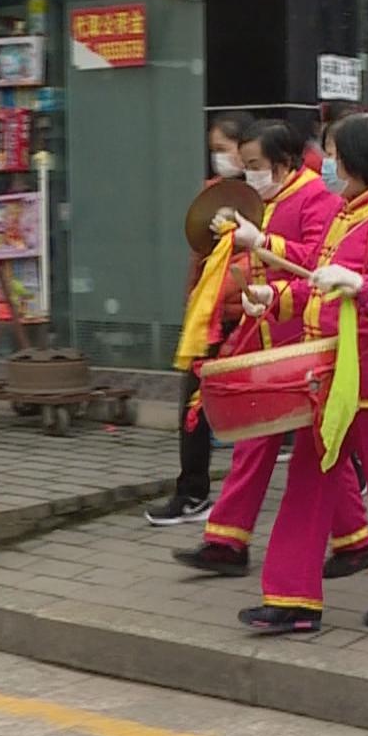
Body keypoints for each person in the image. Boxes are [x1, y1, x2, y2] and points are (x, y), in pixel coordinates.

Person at [238, 114, 368, 633]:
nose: (323, 164)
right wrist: (275, 297)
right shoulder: (346, 213)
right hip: (332, 374)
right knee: (307, 477)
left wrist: (364, 290)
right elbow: (317, 282)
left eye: (331, 153)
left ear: (355, 159)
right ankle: (292, 597)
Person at [171, 118, 368, 579]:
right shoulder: (263, 198)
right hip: (267, 338)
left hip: (303, 342)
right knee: (293, 444)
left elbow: (318, 261)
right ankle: (350, 541)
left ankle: (234, 542)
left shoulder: (316, 200)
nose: (249, 174)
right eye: (244, 166)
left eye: (255, 165)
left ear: (284, 163)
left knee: (309, 445)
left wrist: (262, 242)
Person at [145, 112, 253, 528]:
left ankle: (349, 473)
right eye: (214, 151)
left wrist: (223, 288)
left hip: (253, 314)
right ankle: (192, 493)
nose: (218, 159)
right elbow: (199, 255)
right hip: (211, 318)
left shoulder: (267, 197)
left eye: (223, 149)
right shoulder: (211, 195)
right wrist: (195, 303)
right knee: (194, 404)